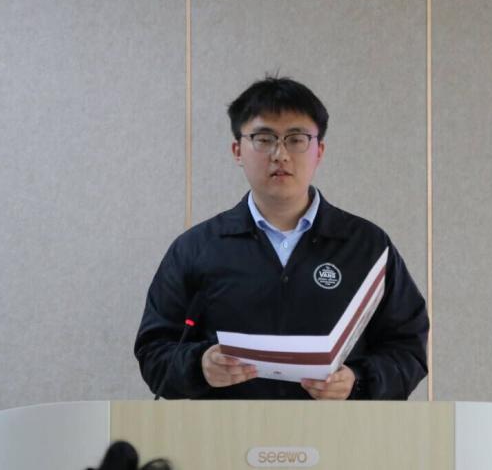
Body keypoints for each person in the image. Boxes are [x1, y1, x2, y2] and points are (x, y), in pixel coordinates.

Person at [134, 76, 428, 400]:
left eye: (296, 139)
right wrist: (199, 366)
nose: (280, 154)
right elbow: (154, 351)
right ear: (237, 150)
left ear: (319, 151)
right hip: (226, 429)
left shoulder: (366, 246)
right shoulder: (197, 249)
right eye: (264, 138)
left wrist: (357, 381)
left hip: (337, 429)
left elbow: (408, 349)